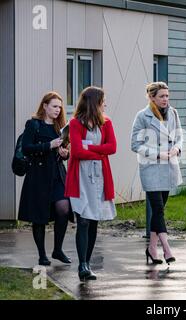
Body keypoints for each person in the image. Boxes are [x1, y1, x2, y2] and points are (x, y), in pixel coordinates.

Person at [65, 86, 117, 281]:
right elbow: (77, 152)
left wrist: (91, 147)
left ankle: (87, 262)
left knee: (94, 220)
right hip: (81, 177)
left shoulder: (107, 123)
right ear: (94, 103)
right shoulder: (75, 123)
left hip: (100, 176)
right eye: (103, 101)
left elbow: (112, 147)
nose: (105, 104)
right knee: (83, 221)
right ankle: (82, 265)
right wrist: (99, 151)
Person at [131, 81, 183, 265]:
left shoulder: (173, 112)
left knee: (158, 212)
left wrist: (177, 149)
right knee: (158, 209)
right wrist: (157, 154)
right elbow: (135, 145)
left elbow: (179, 137)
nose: (165, 99)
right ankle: (167, 248)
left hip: (169, 167)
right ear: (152, 97)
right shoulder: (142, 116)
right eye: (161, 96)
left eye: (167, 96)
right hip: (151, 168)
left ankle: (152, 249)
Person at [18, 91, 73, 266]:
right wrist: (48, 145)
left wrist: (65, 154)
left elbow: (63, 151)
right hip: (38, 176)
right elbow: (26, 148)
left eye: (60, 107)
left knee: (64, 208)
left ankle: (58, 249)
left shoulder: (61, 127)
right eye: (54, 106)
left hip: (57, 174)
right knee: (39, 216)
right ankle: (42, 254)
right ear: (45, 106)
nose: (58, 110)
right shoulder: (34, 124)